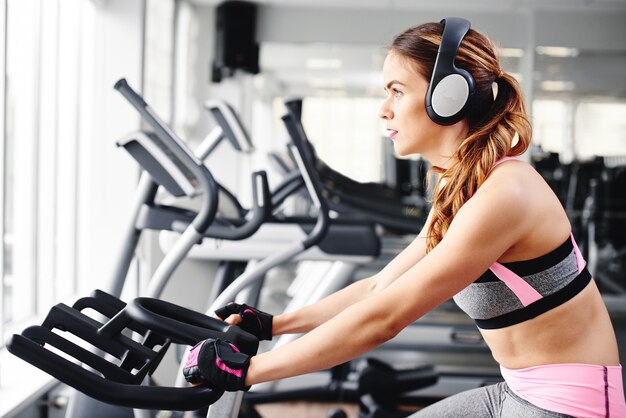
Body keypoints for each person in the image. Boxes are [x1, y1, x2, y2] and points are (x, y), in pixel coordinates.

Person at [182, 18, 626, 417]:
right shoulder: (462, 188)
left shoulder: (505, 193)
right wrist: (273, 324)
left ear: (447, 98)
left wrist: (248, 371)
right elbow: (380, 287)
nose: (383, 109)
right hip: (518, 390)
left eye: (397, 90)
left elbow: (386, 318)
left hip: (570, 406)